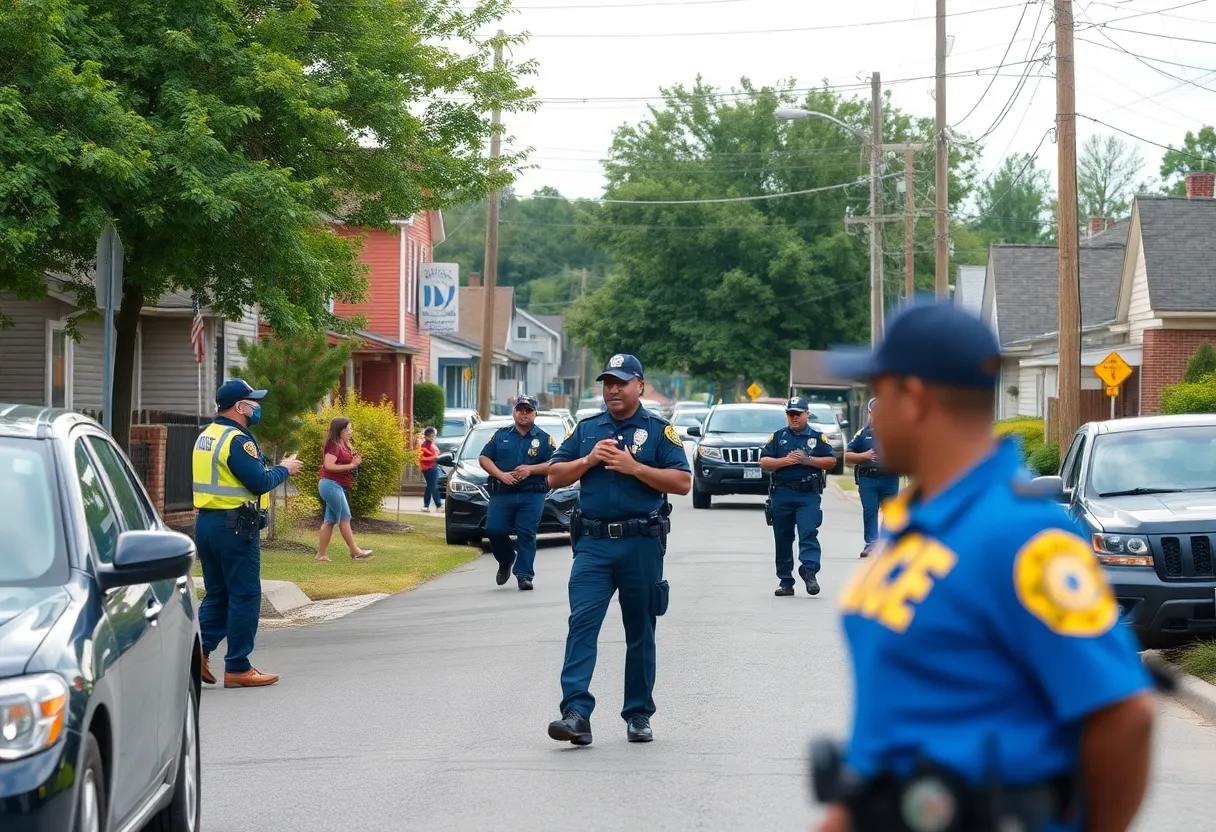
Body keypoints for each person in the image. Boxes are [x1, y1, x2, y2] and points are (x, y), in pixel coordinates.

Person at [812, 301, 1154, 832]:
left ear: (916, 397)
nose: (871, 412)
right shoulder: (918, 523)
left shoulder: (1025, 538)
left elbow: (1123, 716)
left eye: (879, 392)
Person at [546, 354, 691, 746]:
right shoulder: (588, 429)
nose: (613, 389)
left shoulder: (659, 432)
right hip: (593, 544)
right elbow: (554, 475)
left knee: (640, 631)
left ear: (640, 385)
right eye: (608, 382)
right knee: (582, 625)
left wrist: (634, 467)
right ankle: (576, 713)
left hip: (641, 543)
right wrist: (588, 460)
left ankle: (638, 714)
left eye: (622, 382)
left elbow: (681, 482)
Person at [193, 378, 302, 688]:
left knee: (218, 594)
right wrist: (285, 469)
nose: (257, 407)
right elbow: (258, 482)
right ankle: (238, 667)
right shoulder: (238, 441)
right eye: (253, 402)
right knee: (245, 595)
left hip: (207, 524)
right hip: (235, 527)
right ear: (239, 407)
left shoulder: (207, 436)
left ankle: (196, 652)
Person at [759, 396, 836, 597]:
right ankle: (785, 581)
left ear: (807, 415)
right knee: (783, 538)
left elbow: (831, 461)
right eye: (790, 414)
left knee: (808, 532)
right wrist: (786, 461)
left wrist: (808, 460)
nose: (794, 418)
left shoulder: (817, 437)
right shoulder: (777, 437)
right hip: (782, 493)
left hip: (808, 495)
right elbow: (765, 462)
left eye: (798, 414)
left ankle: (809, 571)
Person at [478, 396, 555, 590]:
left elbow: (555, 464)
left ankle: (524, 575)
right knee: (495, 530)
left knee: (526, 533)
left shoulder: (544, 439)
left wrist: (531, 470)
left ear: (535, 413)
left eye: (528, 410)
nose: (524, 413)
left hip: (532, 494)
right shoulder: (500, 435)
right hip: (503, 492)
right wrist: (501, 475)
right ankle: (506, 559)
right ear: (514, 411)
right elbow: (484, 458)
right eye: (520, 409)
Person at [844, 397, 901, 558]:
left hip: (889, 479)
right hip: (867, 479)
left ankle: (885, 544)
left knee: (890, 512)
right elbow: (848, 456)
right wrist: (865, 455)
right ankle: (871, 543)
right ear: (870, 413)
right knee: (870, 510)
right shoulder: (862, 434)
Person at [316, 416, 373, 562]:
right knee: (345, 518)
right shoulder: (333, 445)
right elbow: (329, 466)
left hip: (336, 485)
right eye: (348, 429)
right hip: (330, 484)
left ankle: (321, 555)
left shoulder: (344, 444)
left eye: (350, 429)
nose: (350, 432)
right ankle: (356, 552)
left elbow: (350, 461)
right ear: (340, 430)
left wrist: (355, 461)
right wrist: (351, 465)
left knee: (330, 520)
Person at [420, 426, 444, 512]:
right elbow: (422, 458)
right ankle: (437, 505)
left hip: (428, 468)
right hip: (430, 468)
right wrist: (434, 457)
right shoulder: (426, 446)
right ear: (426, 436)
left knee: (431, 486)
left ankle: (430, 505)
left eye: (433, 436)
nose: (433, 438)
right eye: (431, 436)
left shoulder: (428, 445)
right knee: (432, 486)